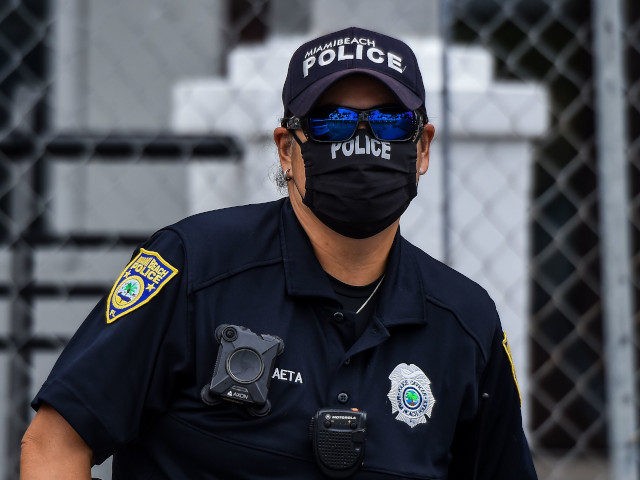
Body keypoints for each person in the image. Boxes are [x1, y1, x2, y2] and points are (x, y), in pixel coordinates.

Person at [21, 26, 537, 479]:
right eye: (333, 124)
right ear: (287, 149)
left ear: (422, 148)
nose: (361, 141)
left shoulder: (466, 324)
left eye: (388, 124)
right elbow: (54, 443)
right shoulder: (194, 268)